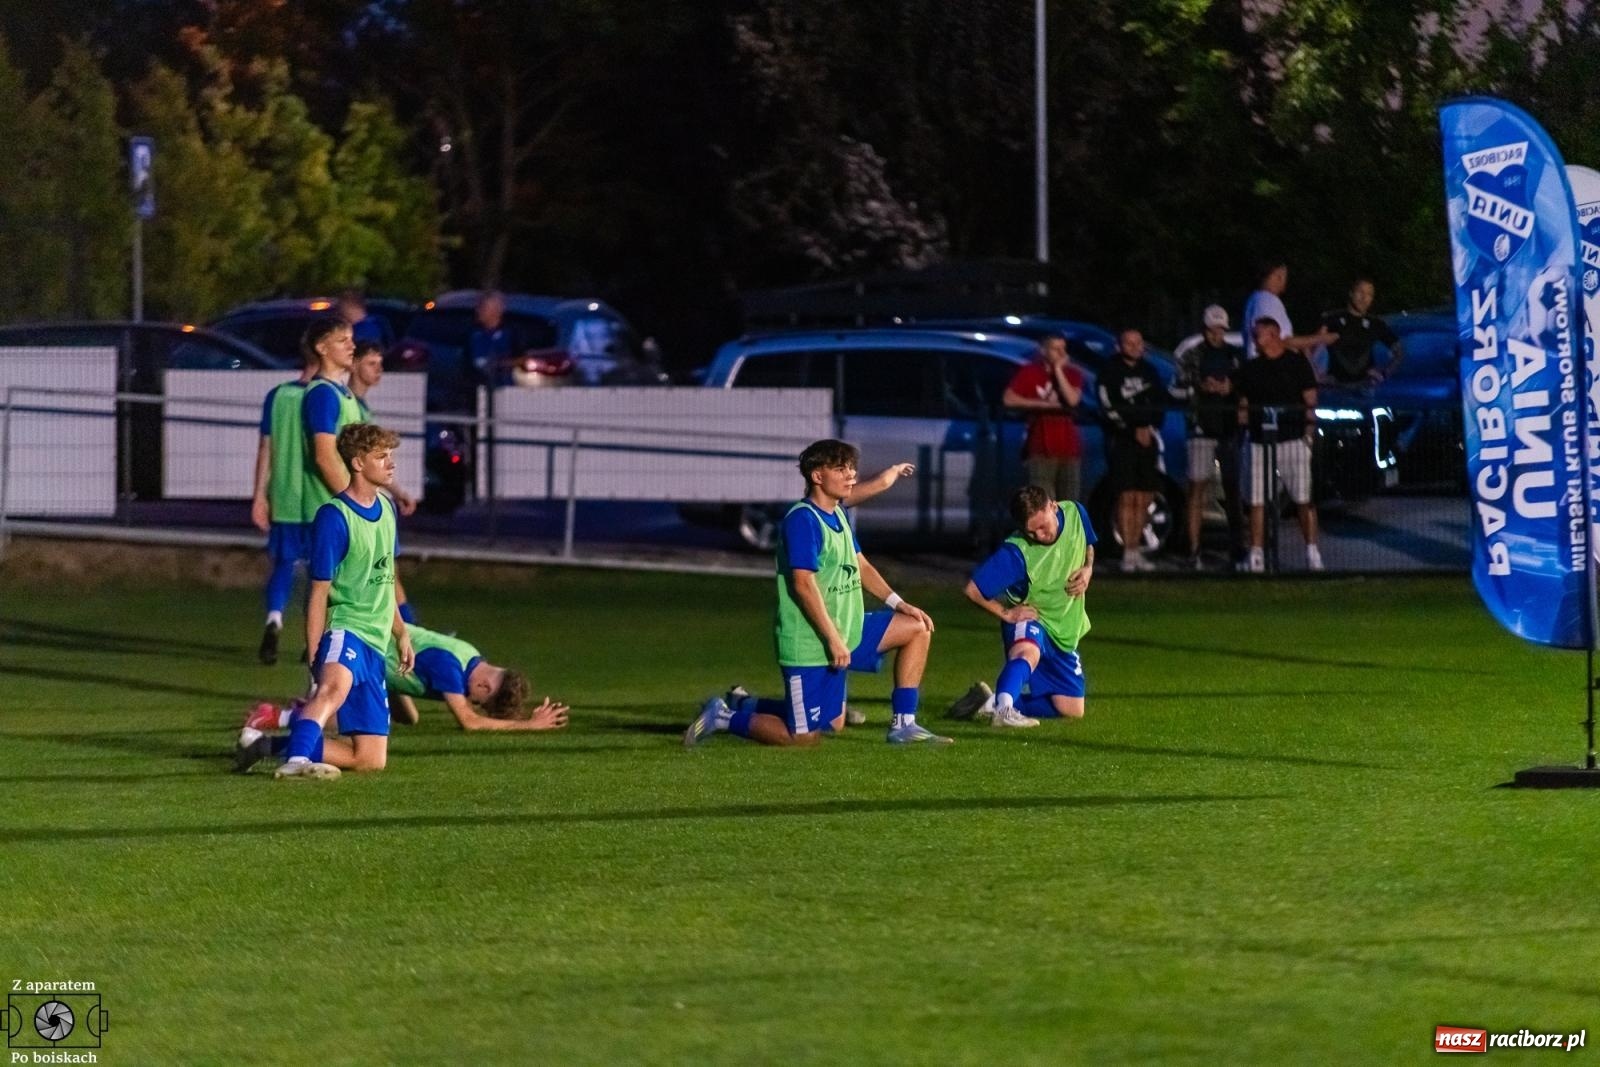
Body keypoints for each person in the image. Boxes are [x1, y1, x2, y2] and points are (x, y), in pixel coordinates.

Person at [682, 438, 951, 746]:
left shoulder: (838, 513)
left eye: (852, 468)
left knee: (917, 629)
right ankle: (725, 716)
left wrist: (898, 602)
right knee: (803, 737)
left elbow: (860, 565)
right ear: (817, 476)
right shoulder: (802, 520)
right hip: (811, 642)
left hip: (848, 628)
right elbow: (803, 585)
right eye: (841, 468)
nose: (851, 475)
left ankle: (904, 725)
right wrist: (833, 640)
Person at [272, 422, 413, 779]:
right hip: (346, 631)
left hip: (376, 642)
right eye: (381, 456)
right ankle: (297, 761)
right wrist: (315, 651)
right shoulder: (334, 517)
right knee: (331, 690)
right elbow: (317, 592)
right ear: (357, 463)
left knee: (370, 759)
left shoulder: (387, 509)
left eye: (391, 456)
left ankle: (269, 745)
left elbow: (385, 580)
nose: (391, 464)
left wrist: (401, 632)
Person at [947, 485, 1095, 727]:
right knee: (1028, 653)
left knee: (1071, 708)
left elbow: (1089, 541)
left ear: (1053, 506)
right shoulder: (1015, 552)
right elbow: (972, 590)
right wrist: (1006, 613)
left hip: (1065, 627)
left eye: (1042, 526)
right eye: (1031, 531)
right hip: (1031, 617)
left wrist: (1088, 568)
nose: (1039, 535)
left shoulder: (1076, 513)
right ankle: (1004, 710)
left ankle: (988, 704)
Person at [1235, 318, 1323, 573]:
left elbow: (1310, 400)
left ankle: (1312, 552)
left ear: (1273, 334)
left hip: (1292, 439)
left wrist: (1308, 433)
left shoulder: (1296, 363)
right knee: (1257, 501)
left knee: (1303, 499)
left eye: (1259, 334)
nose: (1254, 339)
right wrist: (1244, 433)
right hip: (1260, 441)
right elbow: (1243, 403)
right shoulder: (1251, 368)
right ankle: (1257, 554)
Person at [249, 338, 317, 665]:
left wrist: (259, 496)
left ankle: (274, 618)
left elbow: (266, 448)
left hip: (286, 495)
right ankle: (313, 638)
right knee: (323, 573)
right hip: (322, 498)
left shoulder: (278, 396)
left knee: (284, 564)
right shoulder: (332, 396)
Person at [387, 622, 569, 732]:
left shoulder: (470, 653)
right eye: (479, 703)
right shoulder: (449, 668)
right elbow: (469, 722)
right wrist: (530, 725)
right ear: (484, 687)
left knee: (408, 718)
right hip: (363, 649)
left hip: (379, 651)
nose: (471, 702)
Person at [1095, 329, 1171, 572]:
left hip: (1147, 442)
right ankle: (1127, 551)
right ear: (1120, 345)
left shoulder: (1149, 371)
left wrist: (1150, 427)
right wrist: (1132, 429)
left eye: (1139, 343)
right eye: (1129, 343)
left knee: (1145, 496)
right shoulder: (1110, 371)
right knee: (1126, 496)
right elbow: (1107, 406)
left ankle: (1136, 549)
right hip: (1122, 442)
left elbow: (1160, 402)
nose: (1135, 347)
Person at [1181, 305, 1245, 568]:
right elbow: (1184, 379)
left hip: (1228, 430)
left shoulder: (1234, 356)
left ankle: (1237, 547)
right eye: (1212, 329)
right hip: (1201, 429)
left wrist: (1230, 387)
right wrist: (1202, 385)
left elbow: (1243, 382)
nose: (1216, 333)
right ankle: (1194, 549)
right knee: (1197, 488)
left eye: (1221, 329)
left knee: (1233, 489)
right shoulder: (1194, 354)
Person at [1002, 333, 1084, 501]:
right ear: (1043, 350)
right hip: (1040, 447)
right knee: (1044, 501)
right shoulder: (1030, 372)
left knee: (1069, 503)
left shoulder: (1073, 374)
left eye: (1064, 349)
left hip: (1068, 447)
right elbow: (1009, 398)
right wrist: (1044, 405)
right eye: (1056, 349)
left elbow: (1072, 400)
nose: (1062, 354)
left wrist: (1059, 371)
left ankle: (1066, 528)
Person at [348, 341, 419, 517]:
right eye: (371, 364)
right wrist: (398, 492)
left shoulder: (361, 406)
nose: (379, 369)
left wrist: (397, 491)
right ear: (354, 365)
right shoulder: (348, 405)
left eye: (380, 364)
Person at [1241, 259, 1334, 360]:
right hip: (1271, 369)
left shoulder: (1256, 299)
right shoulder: (1267, 300)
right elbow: (1282, 341)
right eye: (1284, 274)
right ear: (1278, 274)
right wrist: (1323, 338)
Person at [1318, 277, 1402, 386]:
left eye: (1369, 294)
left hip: (1365, 388)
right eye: (1360, 292)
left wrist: (1384, 373)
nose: (1364, 298)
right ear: (1351, 293)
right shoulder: (1331, 319)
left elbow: (1399, 352)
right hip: (1335, 387)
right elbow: (1311, 347)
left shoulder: (1376, 324)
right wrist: (1316, 375)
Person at [467, 291, 514, 385]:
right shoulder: (473, 334)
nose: (478, 311)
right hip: (476, 388)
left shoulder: (510, 334)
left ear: (495, 310)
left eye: (482, 307)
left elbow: (522, 358)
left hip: (502, 390)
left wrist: (499, 365)